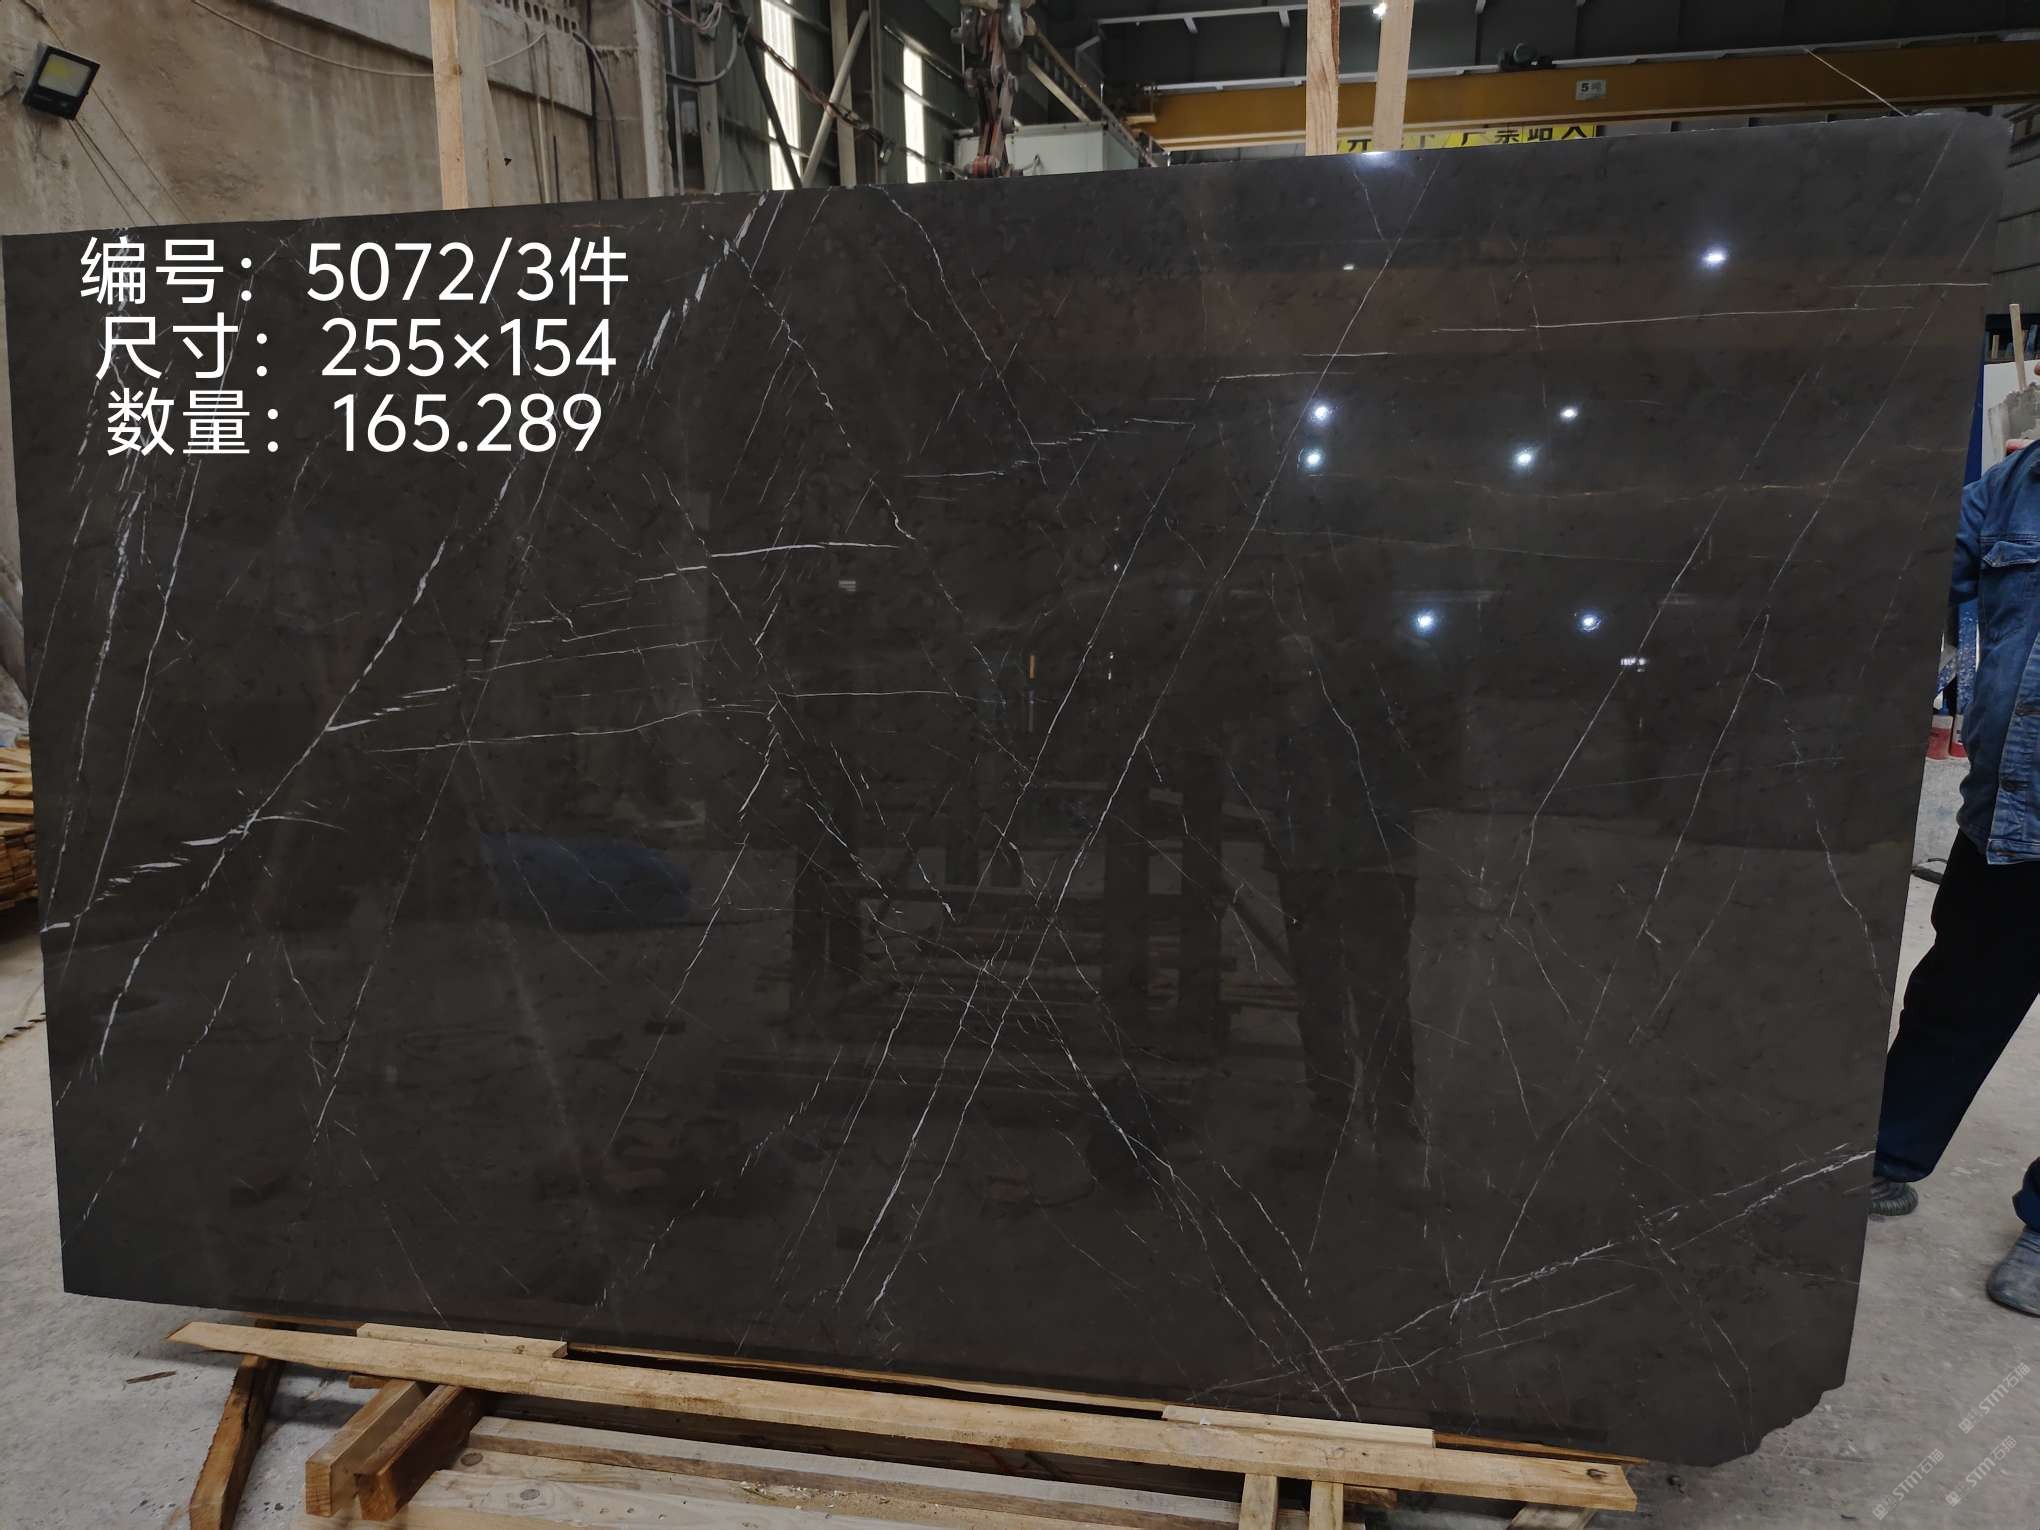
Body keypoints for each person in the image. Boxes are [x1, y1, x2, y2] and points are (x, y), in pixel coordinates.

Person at [1871, 435, 2040, 1318]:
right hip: (2011, 811)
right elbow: (1907, 577)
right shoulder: (2009, 491)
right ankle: (1885, 1155)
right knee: (1953, 1000)